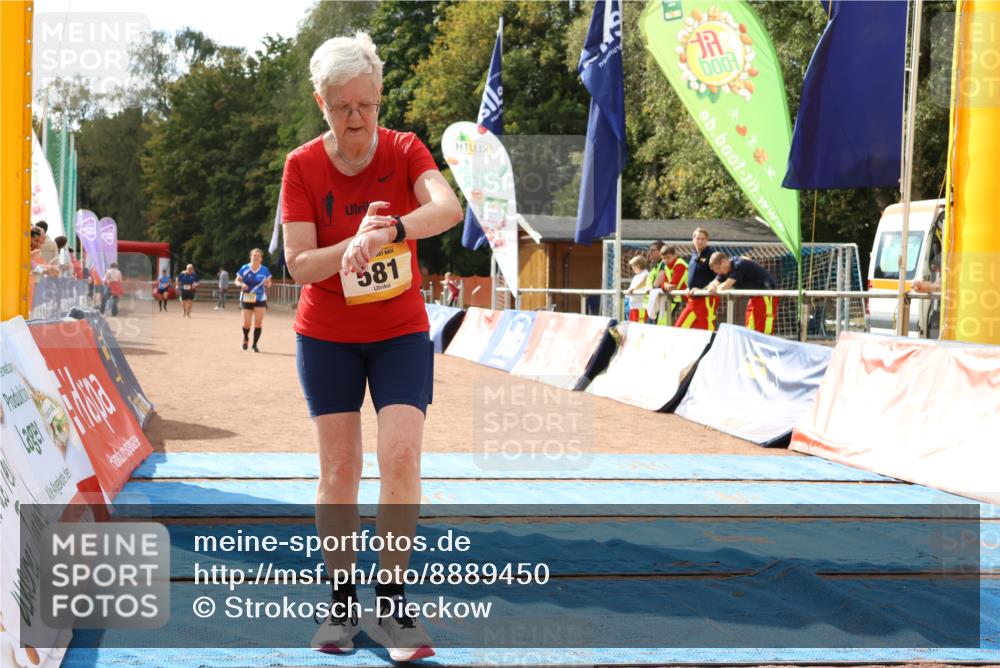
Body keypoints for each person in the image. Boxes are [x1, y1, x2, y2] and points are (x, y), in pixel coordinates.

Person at [281, 32, 463, 661]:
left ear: (380, 95)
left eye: (366, 104)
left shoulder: (406, 149)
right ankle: (340, 604)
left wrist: (392, 228)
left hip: (399, 333)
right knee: (338, 469)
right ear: (320, 102)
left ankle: (392, 603)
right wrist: (351, 247)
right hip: (327, 335)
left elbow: (449, 209)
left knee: (402, 456)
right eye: (342, 108)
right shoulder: (302, 165)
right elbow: (299, 264)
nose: (357, 120)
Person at [707, 252, 779, 335]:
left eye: (718, 269)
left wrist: (716, 288)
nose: (719, 273)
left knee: (763, 327)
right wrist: (712, 287)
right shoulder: (725, 269)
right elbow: (714, 282)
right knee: (750, 327)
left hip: (766, 295)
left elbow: (725, 286)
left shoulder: (740, 264)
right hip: (754, 297)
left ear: (723, 261)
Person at [674, 227, 719, 331]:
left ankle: (712, 347)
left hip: (706, 299)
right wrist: (688, 288)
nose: (700, 241)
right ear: (693, 240)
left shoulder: (712, 254)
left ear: (707, 240)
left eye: (702, 239)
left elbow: (720, 276)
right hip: (693, 299)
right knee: (679, 329)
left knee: (706, 331)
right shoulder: (694, 254)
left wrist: (703, 290)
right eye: (697, 238)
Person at [234, 249, 272, 352]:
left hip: (260, 298)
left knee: (258, 322)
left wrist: (267, 284)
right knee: (247, 323)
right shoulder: (245, 268)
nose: (256, 257)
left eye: (258, 256)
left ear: (261, 259)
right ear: (250, 257)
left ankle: (255, 345)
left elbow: (269, 282)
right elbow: (237, 280)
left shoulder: (264, 270)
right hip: (247, 297)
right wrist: (242, 284)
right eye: (254, 255)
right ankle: (246, 337)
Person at [653, 245, 689, 326]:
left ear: (675, 255)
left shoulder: (680, 265)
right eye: (664, 258)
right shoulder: (666, 267)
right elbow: (664, 284)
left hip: (691, 299)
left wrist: (666, 286)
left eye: (668, 257)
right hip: (679, 298)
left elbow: (673, 285)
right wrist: (666, 286)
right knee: (662, 321)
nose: (666, 260)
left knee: (682, 326)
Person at [624, 255, 649, 322]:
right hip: (633, 306)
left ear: (639, 265)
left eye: (634, 266)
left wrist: (634, 289)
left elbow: (645, 281)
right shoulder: (636, 276)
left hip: (640, 307)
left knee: (640, 327)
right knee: (632, 326)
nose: (632, 268)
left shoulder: (646, 273)